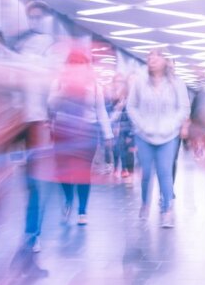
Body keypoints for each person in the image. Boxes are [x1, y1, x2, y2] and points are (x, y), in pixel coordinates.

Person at [10, 0, 56, 252]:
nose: (35, 21)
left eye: (39, 16)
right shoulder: (16, 42)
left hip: (37, 121)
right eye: (32, 16)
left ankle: (32, 233)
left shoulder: (50, 47)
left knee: (35, 181)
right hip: (14, 120)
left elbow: (52, 80)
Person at [127, 49, 190, 228]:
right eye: (149, 56)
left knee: (165, 172)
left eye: (157, 56)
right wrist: (141, 125)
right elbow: (131, 106)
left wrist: (172, 125)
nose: (152, 59)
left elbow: (184, 108)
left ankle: (167, 209)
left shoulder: (177, 83)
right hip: (144, 135)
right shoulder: (140, 82)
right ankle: (145, 203)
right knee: (146, 172)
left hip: (168, 135)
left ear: (166, 61)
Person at [48, 47, 112, 226]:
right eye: (73, 64)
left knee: (83, 173)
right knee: (63, 171)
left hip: (87, 133)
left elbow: (101, 111)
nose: (77, 68)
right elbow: (51, 106)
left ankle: (82, 210)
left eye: (81, 64)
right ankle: (68, 199)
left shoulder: (95, 87)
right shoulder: (58, 83)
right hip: (63, 132)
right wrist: (65, 90)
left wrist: (108, 135)